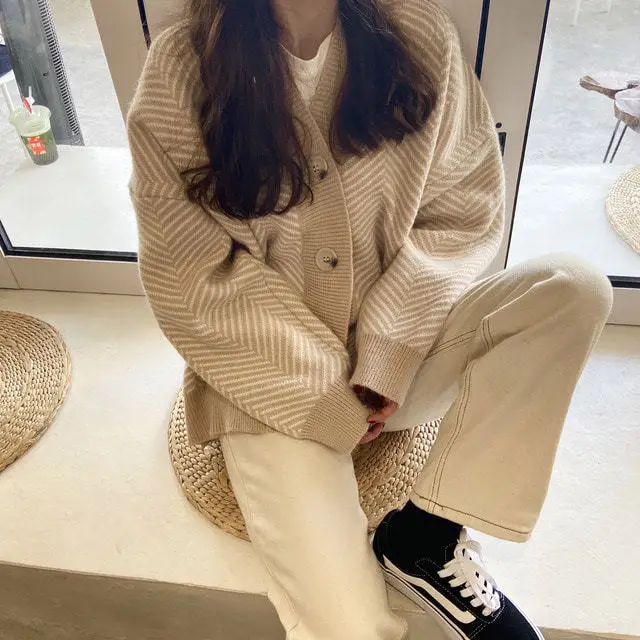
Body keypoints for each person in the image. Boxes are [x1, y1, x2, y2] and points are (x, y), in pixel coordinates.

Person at [127, 0, 613, 638]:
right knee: (346, 627)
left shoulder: (419, 34)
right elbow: (191, 278)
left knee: (571, 289)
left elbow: (462, 210)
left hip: (406, 360)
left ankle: (427, 537)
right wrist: (329, 397)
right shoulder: (181, 70)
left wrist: (387, 358)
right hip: (271, 383)